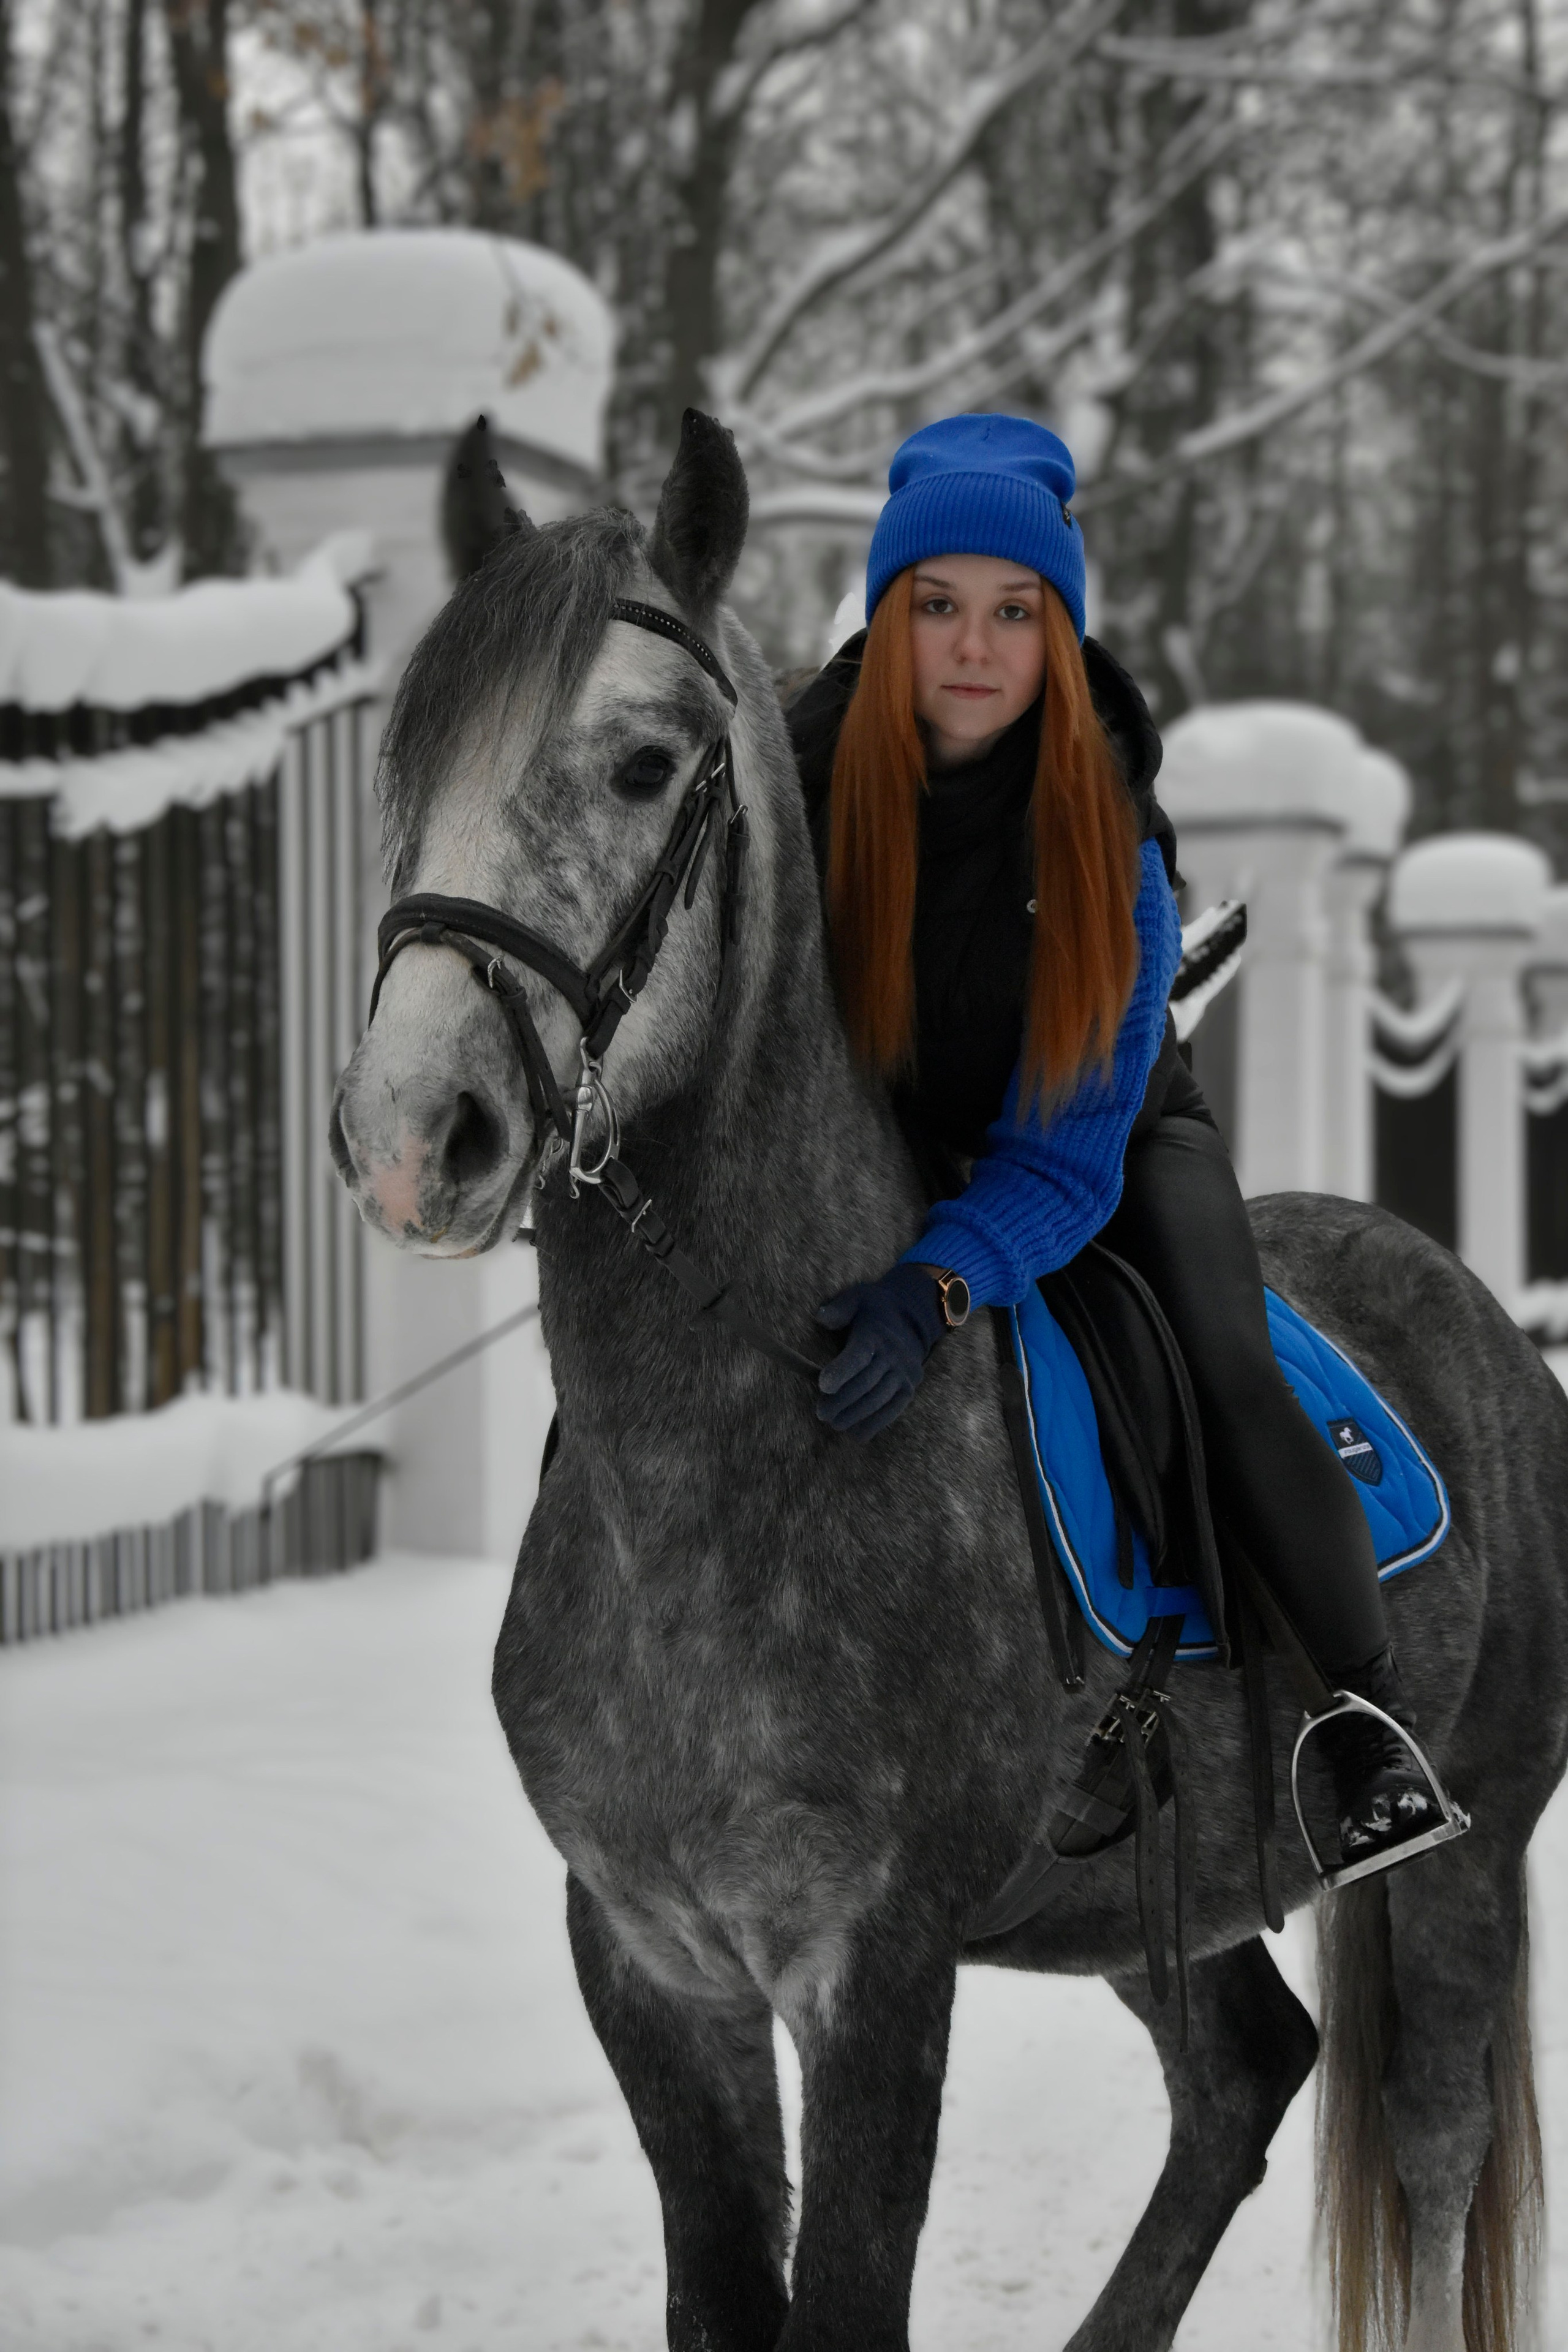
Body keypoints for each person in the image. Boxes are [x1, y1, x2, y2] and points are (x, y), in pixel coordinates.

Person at [787, 412, 1441, 1871]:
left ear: (1057, 631)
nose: (973, 647)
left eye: (1013, 613)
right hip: (875, 1122)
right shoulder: (794, 774)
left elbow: (1064, 1161)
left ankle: (1357, 1720)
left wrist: (935, 1282)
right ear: (888, 623)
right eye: (936, 607)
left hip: (1105, 1133)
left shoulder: (1105, 832)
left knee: (1222, 1364)